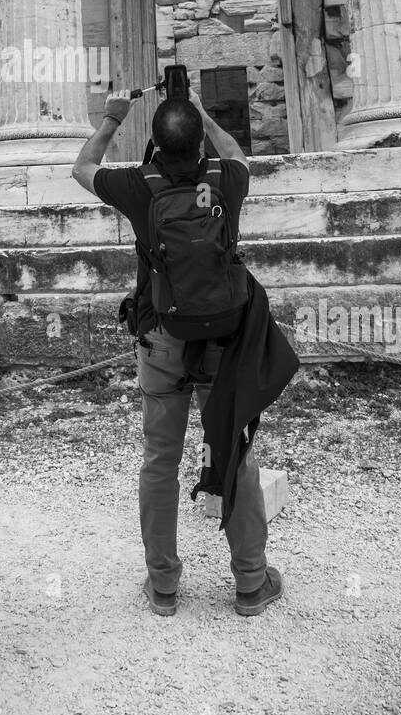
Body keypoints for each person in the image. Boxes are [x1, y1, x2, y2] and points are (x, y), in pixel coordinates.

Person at [72, 85, 285, 619]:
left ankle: (164, 585)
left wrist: (112, 119)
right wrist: (206, 113)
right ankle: (251, 584)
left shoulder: (137, 186)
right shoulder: (226, 180)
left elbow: (81, 167)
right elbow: (237, 153)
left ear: (155, 145)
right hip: (223, 342)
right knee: (233, 454)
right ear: (198, 144)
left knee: (160, 462)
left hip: (162, 336)